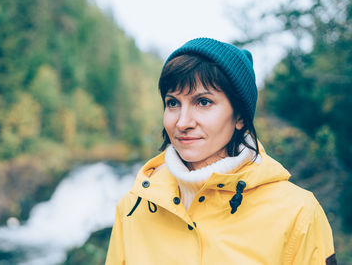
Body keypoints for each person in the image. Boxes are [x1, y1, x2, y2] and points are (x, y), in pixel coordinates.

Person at [106, 38, 336, 265]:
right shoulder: (133, 206)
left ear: (240, 117)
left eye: (203, 102)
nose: (182, 122)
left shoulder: (298, 213)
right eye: (173, 103)